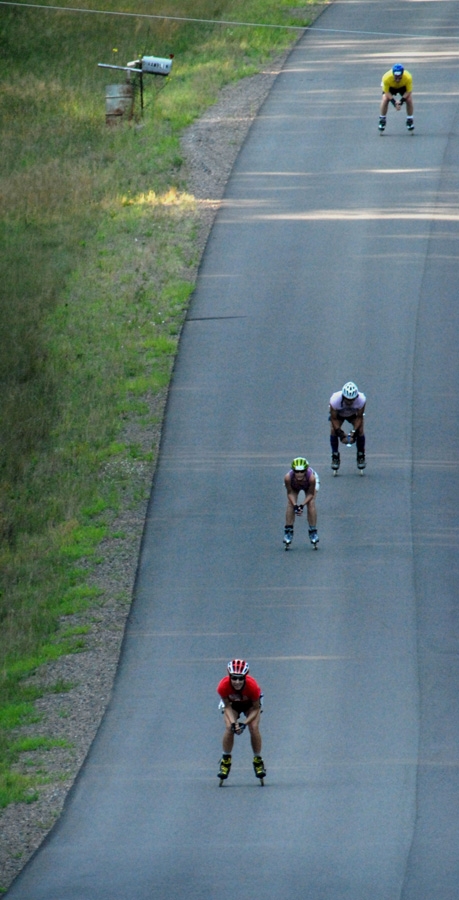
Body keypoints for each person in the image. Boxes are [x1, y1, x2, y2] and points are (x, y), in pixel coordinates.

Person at [217, 659, 266, 782]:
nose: (237, 682)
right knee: (229, 728)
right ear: (229, 676)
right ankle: (225, 759)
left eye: (240, 678)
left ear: (245, 676)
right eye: (234, 678)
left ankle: (257, 759)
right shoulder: (223, 686)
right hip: (232, 705)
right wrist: (234, 724)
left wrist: (244, 723)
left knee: (253, 727)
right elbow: (227, 706)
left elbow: (256, 709)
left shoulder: (252, 686)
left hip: (251, 706)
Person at [329, 382, 366, 472]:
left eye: (352, 400)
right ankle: (335, 455)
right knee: (333, 431)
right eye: (347, 399)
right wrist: (341, 434)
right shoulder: (334, 400)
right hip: (339, 414)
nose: (349, 402)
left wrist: (354, 432)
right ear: (343, 397)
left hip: (353, 415)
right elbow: (333, 418)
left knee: (360, 430)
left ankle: (361, 454)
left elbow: (359, 417)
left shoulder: (362, 399)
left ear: (356, 397)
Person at [283, 457, 319, 548]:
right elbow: (290, 493)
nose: (299, 474)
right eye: (296, 471)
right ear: (293, 470)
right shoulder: (288, 478)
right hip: (294, 485)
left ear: (306, 470)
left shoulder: (311, 478)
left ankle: (313, 531)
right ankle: (288, 531)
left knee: (311, 503)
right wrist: (295, 505)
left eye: (302, 471)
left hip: (308, 486)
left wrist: (302, 505)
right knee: (290, 504)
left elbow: (310, 494)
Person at [379, 63, 414, 132]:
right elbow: (386, 92)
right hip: (391, 87)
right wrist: (394, 103)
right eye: (396, 77)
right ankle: (382, 119)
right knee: (385, 98)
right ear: (393, 74)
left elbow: (408, 91)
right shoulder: (386, 77)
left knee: (409, 99)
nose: (397, 79)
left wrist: (401, 101)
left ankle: (410, 119)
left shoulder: (408, 77)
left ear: (402, 74)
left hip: (402, 87)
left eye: (399, 77)